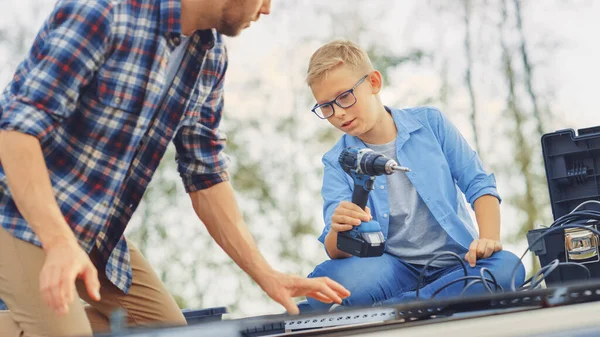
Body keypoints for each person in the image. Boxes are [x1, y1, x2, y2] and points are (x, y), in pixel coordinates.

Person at [0, 1, 350, 336]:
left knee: (163, 331)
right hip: (17, 211)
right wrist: (59, 241)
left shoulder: (210, 56)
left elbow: (206, 173)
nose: (267, 8)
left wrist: (266, 274)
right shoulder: (103, 12)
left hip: (95, 224)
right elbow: (15, 129)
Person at [303, 40, 525, 311]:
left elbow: (479, 185)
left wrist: (488, 239)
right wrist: (338, 230)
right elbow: (335, 249)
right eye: (325, 107)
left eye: (345, 97)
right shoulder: (337, 162)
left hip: (458, 261)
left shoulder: (431, 124)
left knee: (507, 267)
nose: (338, 113)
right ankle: (439, 302)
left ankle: (401, 308)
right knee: (326, 284)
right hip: (392, 270)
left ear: (373, 82)